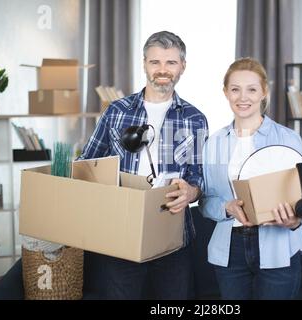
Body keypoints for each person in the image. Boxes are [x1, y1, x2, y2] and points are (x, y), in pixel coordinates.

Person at [77, 31, 208, 299]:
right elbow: (86, 165)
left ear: (183, 66)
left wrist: (190, 192)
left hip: (173, 235)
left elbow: (200, 178)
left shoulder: (196, 119)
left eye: (171, 62)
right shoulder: (117, 111)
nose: (162, 70)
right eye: (155, 62)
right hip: (121, 230)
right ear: (144, 64)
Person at [199, 57, 302, 300]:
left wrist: (294, 221)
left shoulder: (288, 139)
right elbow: (205, 202)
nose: (243, 97)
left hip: (278, 248)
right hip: (230, 252)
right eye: (235, 89)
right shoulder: (213, 143)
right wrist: (226, 207)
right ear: (225, 92)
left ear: (264, 92)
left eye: (251, 89)